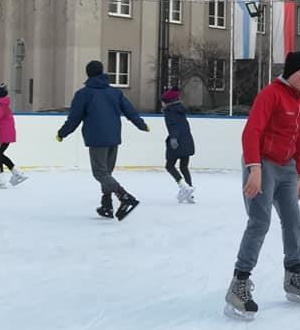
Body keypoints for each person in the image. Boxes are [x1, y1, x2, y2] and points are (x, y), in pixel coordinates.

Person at [225, 51, 300, 320]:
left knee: (293, 221)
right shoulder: (271, 94)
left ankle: (293, 277)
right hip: (263, 165)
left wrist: (299, 176)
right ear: (290, 72)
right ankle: (238, 284)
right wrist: (254, 168)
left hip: (287, 168)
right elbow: (252, 130)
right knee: (259, 222)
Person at [56, 60, 149, 220]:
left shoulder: (83, 94)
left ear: (88, 73)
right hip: (114, 137)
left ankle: (124, 196)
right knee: (107, 172)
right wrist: (141, 125)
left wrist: (62, 133)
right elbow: (130, 110)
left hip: (97, 138)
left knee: (100, 173)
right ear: (102, 72)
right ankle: (106, 205)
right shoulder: (115, 93)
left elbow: (74, 118)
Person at [160, 88, 196, 203]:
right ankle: (189, 193)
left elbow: (173, 125)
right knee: (183, 167)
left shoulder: (169, 111)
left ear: (167, 102)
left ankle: (184, 187)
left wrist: (174, 138)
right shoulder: (180, 110)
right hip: (187, 141)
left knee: (169, 166)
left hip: (177, 142)